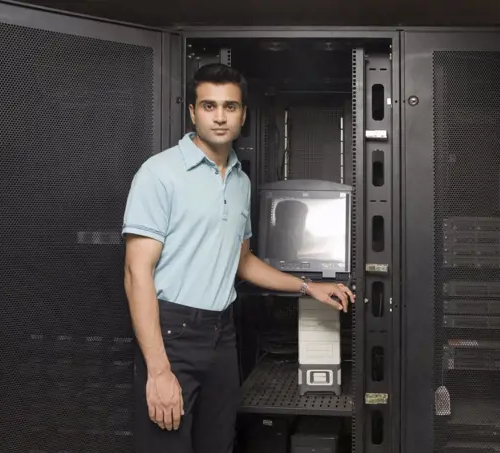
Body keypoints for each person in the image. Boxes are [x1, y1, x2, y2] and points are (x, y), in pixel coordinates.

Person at [121, 63, 355, 453]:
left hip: (221, 335)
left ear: (243, 115)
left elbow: (242, 261)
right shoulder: (159, 173)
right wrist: (159, 370)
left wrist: (308, 286)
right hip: (171, 333)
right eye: (209, 106)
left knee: (218, 444)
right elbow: (135, 273)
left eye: (230, 107)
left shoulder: (239, 180)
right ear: (193, 113)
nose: (219, 116)